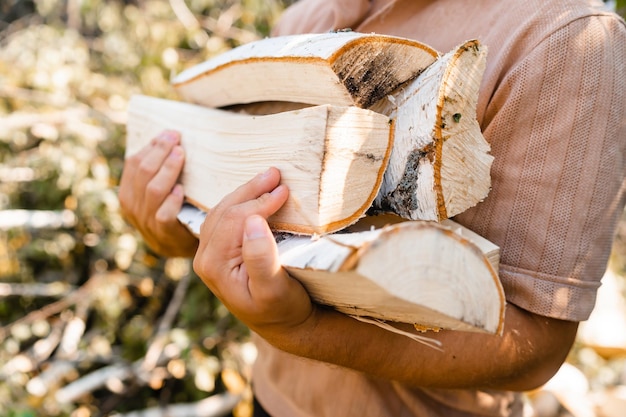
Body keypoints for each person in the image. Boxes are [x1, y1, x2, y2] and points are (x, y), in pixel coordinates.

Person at [119, 0, 626, 415]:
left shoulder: (565, 40)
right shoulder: (305, 22)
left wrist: (305, 330)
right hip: (270, 399)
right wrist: (170, 230)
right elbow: (257, 229)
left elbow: (534, 346)